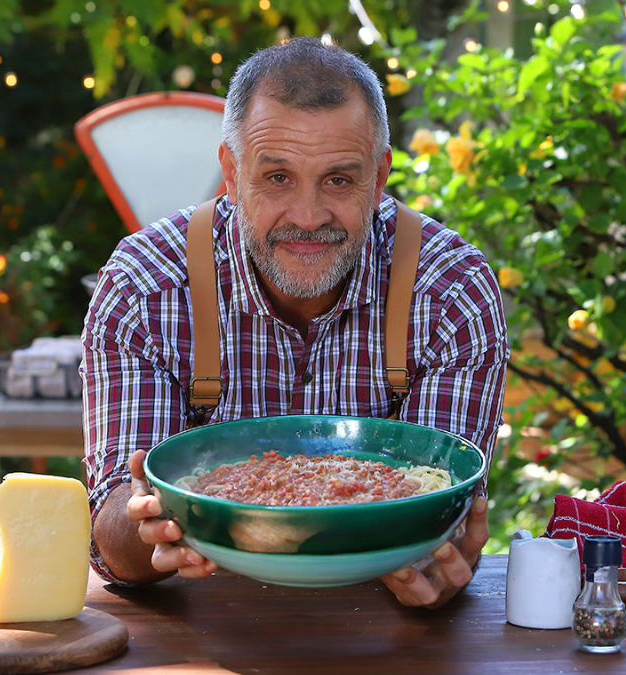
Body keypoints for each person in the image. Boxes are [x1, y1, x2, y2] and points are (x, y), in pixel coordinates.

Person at [81, 36, 509, 608]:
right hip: (205, 629)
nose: (308, 218)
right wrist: (144, 526)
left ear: (380, 177)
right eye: (278, 177)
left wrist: (441, 562)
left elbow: (441, 513)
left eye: (339, 179)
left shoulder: (452, 294)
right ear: (231, 173)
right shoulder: (143, 289)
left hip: (384, 630)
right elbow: (113, 536)